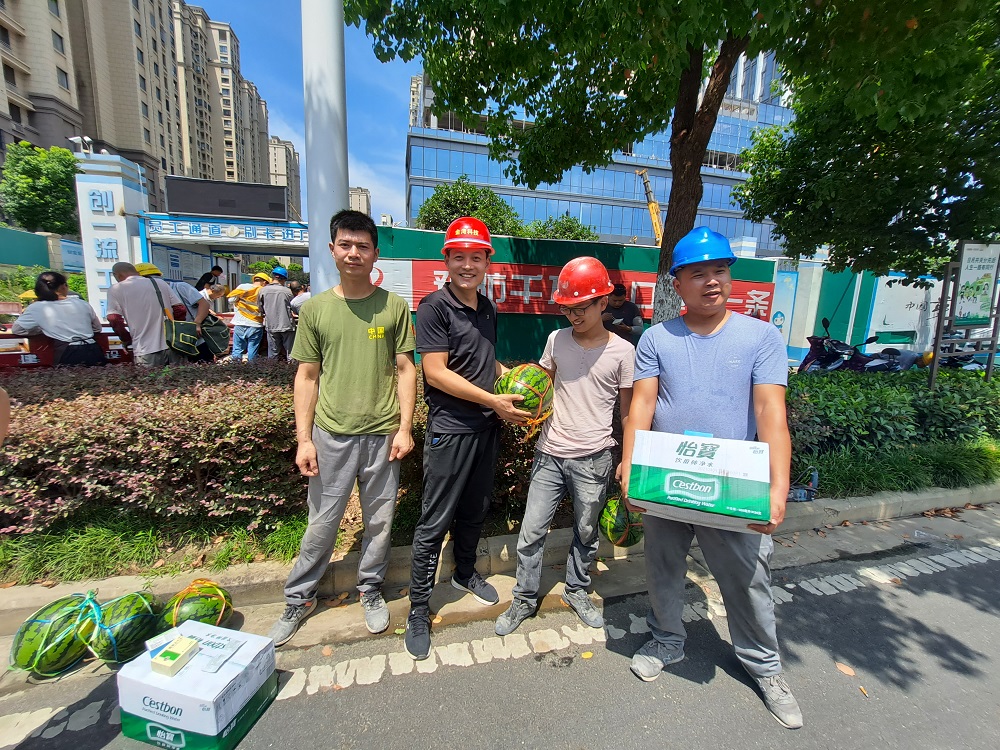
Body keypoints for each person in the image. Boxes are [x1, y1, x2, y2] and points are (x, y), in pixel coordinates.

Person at [619, 226, 800, 729]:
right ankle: (667, 640)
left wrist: (777, 487)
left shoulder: (761, 338)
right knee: (662, 567)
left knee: (747, 577)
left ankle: (764, 666)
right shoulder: (656, 338)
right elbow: (642, 407)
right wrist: (631, 466)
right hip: (666, 477)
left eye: (720, 270)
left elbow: (770, 413)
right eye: (698, 273)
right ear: (678, 283)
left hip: (734, 483)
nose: (712, 281)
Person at [268, 210, 417, 646]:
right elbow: (307, 377)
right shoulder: (316, 309)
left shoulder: (393, 306)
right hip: (330, 435)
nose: (354, 253)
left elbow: (406, 369)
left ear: (375, 254)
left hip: (383, 435)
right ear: (332, 250)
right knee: (322, 523)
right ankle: (299, 597)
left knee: (380, 523)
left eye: (363, 246)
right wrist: (303, 439)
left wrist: (405, 427)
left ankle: (370, 588)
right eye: (346, 245)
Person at [404, 216, 529, 661]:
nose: (468, 265)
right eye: (460, 256)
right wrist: (492, 400)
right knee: (434, 521)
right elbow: (435, 373)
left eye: (477, 257)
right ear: (447, 260)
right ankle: (418, 609)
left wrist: (511, 380)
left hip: (486, 427)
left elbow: (485, 361)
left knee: (476, 509)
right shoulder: (433, 307)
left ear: (487, 262)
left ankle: (464, 572)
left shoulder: (487, 307)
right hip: (451, 430)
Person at [495, 257, 634, 636]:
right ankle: (524, 598)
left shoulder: (623, 352)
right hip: (550, 453)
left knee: (586, 532)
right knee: (531, 532)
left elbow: (628, 413)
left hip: (595, 458)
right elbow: (543, 386)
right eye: (567, 309)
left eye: (581, 308)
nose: (573, 316)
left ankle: (576, 590)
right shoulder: (556, 340)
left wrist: (628, 459)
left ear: (603, 302)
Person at [12, 272, 106, 366]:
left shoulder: (36, 307)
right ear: (63, 286)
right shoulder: (82, 303)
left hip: (67, 352)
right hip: (93, 349)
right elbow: (97, 328)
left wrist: (43, 329)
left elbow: (17, 329)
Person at [106, 262, 185, 367]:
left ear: (117, 275)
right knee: (178, 376)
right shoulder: (160, 283)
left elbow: (114, 319)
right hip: (173, 346)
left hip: (144, 349)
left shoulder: (116, 289)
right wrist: (175, 329)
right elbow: (180, 309)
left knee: (148, 378)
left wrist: (126, 339)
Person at [136, 263, 213, 362]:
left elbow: (204, 304)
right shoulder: (147, 294)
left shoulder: (180, 287)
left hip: (194, 341)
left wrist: (197, 323)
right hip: (171, 345)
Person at [226, 273, 269, 362]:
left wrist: (240, 300)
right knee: (252, 350)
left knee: (237, 349)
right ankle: (251, 368)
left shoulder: (242, 287)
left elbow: (231, 300)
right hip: (255, 324)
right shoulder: (263, 291)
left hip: (240, 322)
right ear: (264, 282)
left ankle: (235, 367)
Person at [256, 266, 296, 360]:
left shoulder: (263, 290)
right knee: (290, 353)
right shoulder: (288, 291)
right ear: (284, 279)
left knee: (273, 353)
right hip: (287, 325)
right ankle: (292, 368)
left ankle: (272, 368)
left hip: (271, 325)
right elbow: (293, 307)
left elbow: (260, 308)